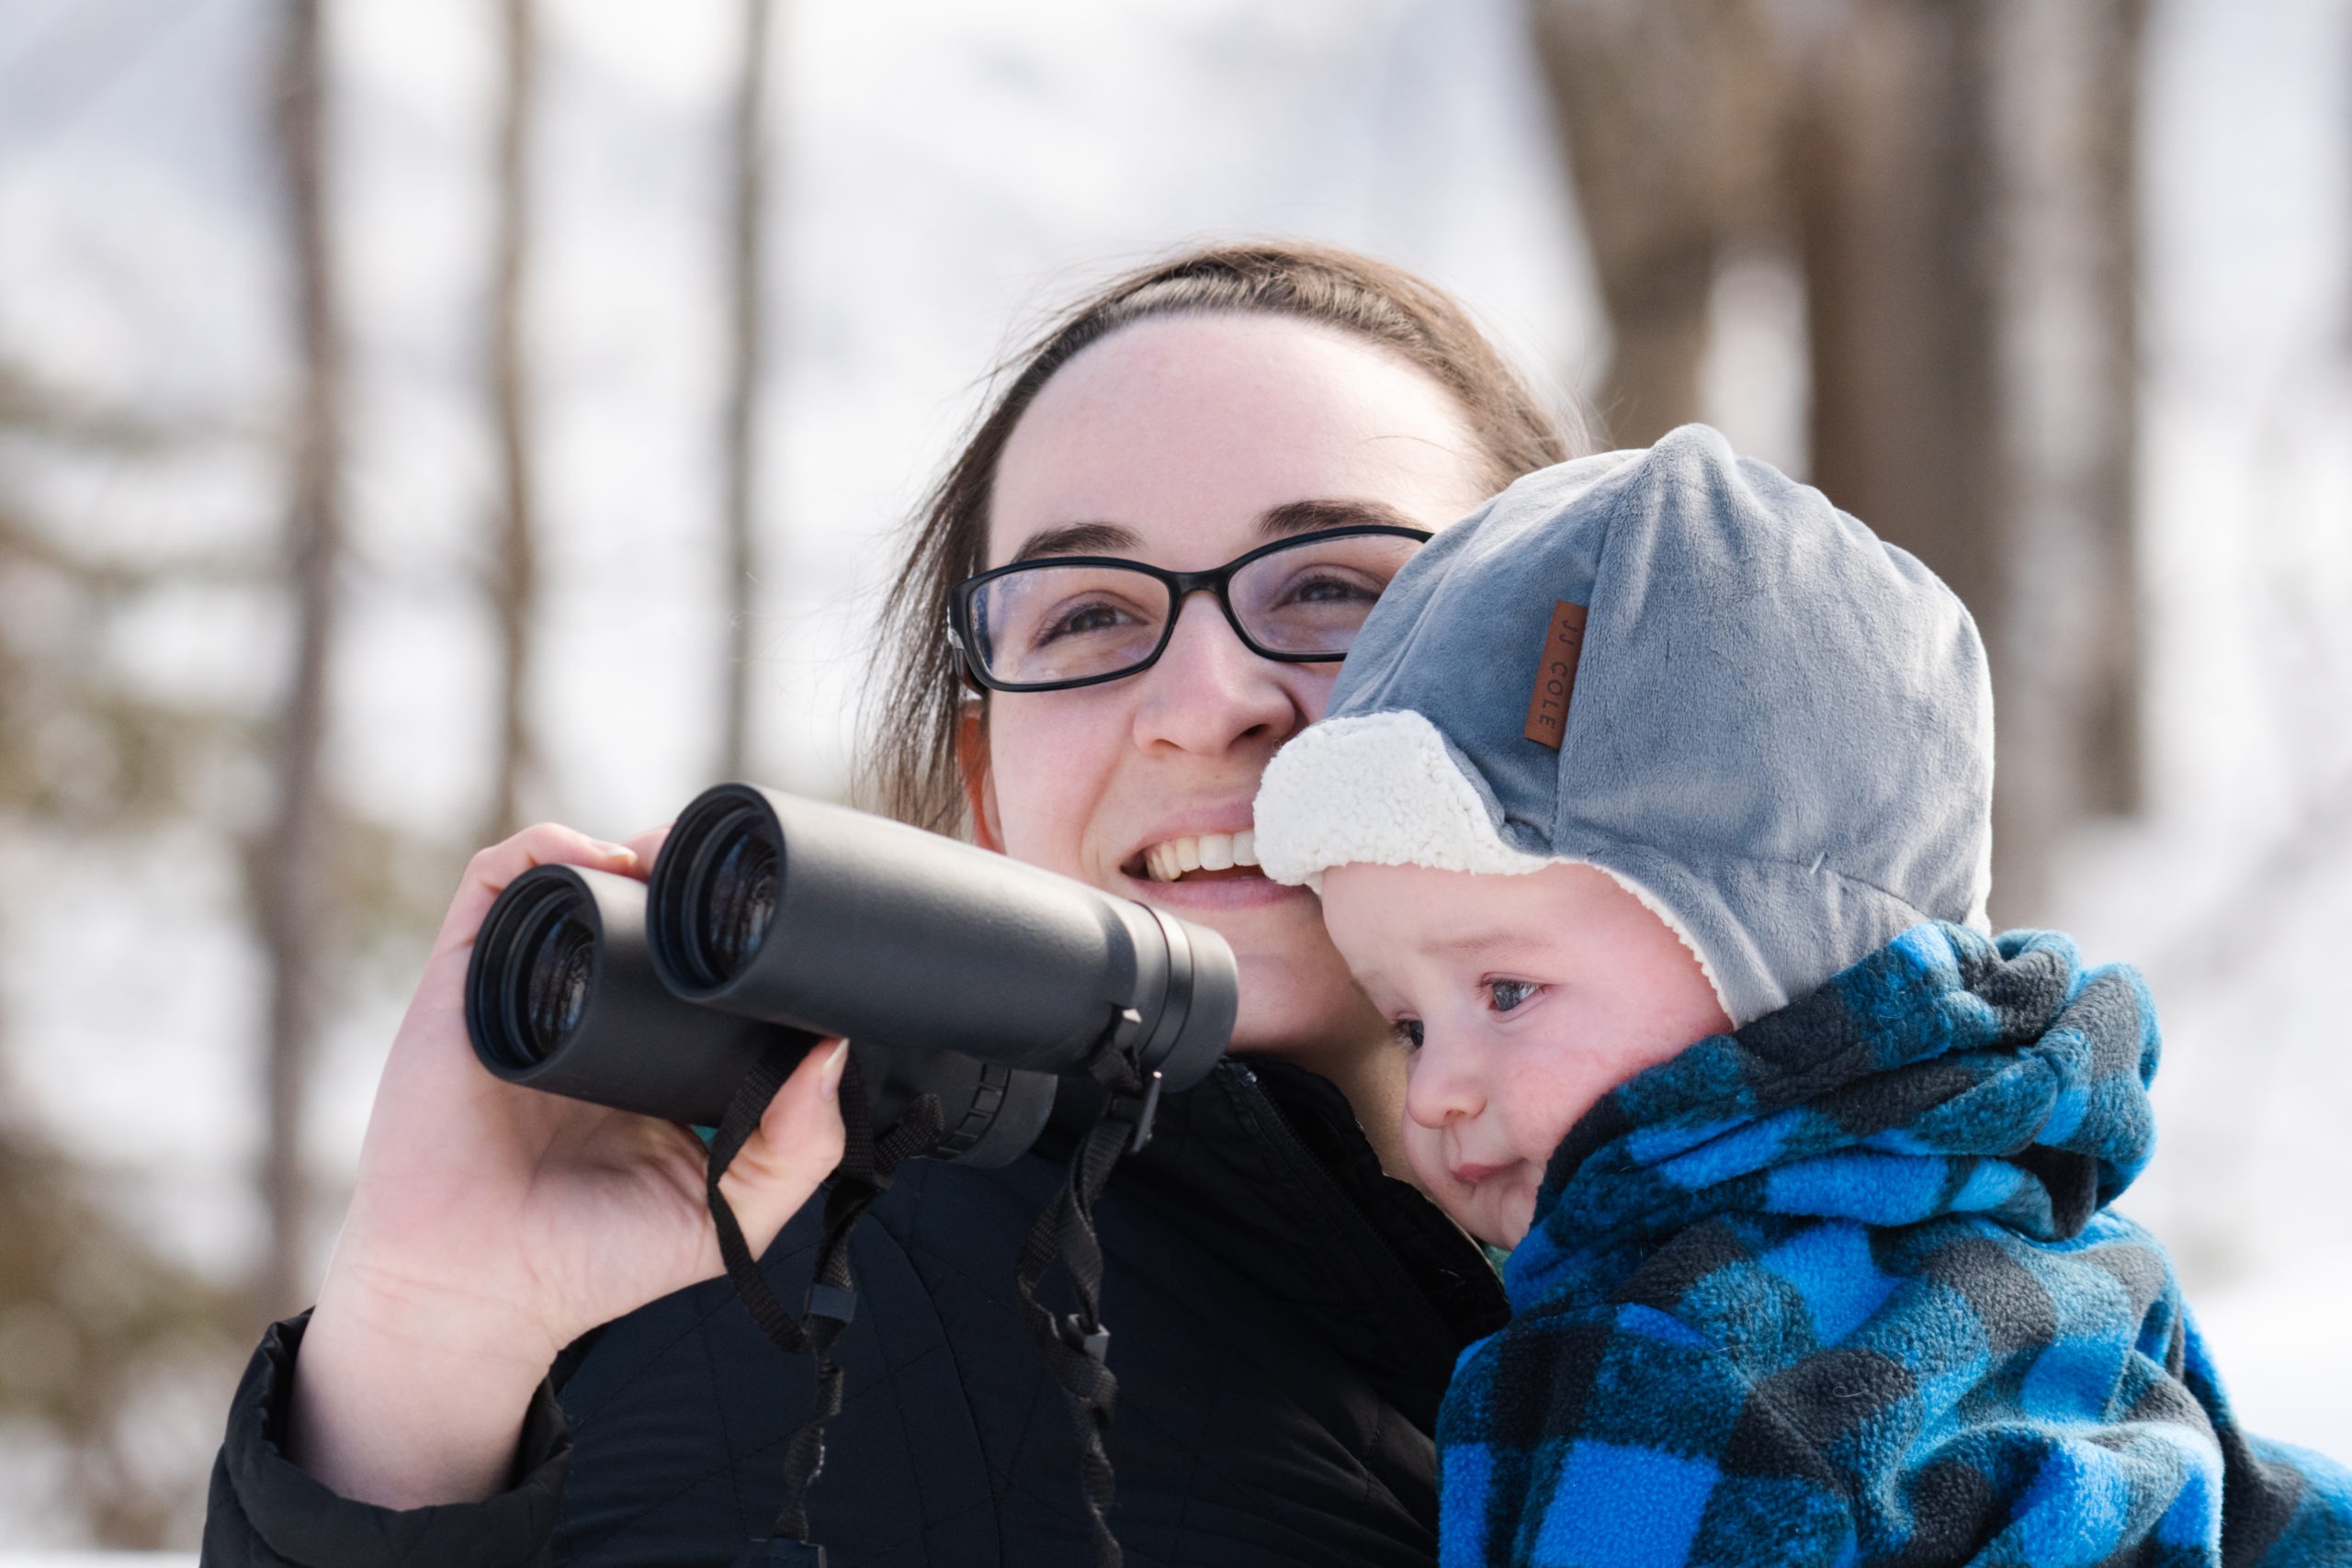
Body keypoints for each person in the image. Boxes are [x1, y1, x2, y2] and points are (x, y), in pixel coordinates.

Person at [201, 243, 1588, 1567]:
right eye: (1089, 613)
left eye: (1338, 587)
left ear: (1574, 690)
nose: (1206, 702)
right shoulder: (834, 1341)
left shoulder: (1741, 1259)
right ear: (986, 789)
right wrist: (425, 1352)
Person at [1249, 423, 2352, 1566]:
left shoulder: (1658, 1361)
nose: (1432, 1091)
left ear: (1774, 953)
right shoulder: (2070, 1239)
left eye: (1509, 990)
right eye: (1410, 1025)